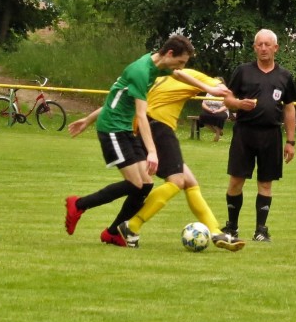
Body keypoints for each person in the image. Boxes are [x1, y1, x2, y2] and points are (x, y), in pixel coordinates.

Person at [64, 35, 222, 241]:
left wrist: (209, 89)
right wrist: (153, 152)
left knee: (145, 185)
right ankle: (78, 204)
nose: (181, 67)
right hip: (112, 128)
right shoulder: (141, 72)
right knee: (135, 184)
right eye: (181, 61)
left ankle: (113, 233)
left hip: (125, 128)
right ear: (169, 53)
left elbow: (177, 75)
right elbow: (140, 115)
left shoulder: (157, 65)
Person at [68, 68, 244, 251]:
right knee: (176, 180)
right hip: (159, 128)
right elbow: (223, 90)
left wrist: (88, 119)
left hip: (142, 130)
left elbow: (118, 104)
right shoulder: (191, 75)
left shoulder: (155, 79)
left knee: (183, 182)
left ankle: (215, 231)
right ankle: (131, 226)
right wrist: (239, 103)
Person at [220, 29, 296, 242]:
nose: (263, 48)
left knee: (265, 183)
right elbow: (227, 99)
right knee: (236, 181)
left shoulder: (284, 76)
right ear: (254, 48)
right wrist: (238, 104)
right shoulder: (243, 71)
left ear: (275, 48)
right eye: (259, 44)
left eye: (267, 44)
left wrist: (290, 141)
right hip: (244, 133)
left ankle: (261, 231)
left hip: (271, 135)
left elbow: (289, 108)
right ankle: (231, 227)